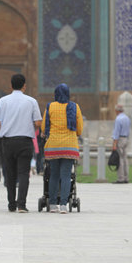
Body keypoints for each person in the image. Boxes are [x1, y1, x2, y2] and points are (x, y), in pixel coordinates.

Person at [0, 74, 42, 213]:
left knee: (10, 174)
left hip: (8, 142)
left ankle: (11, 204)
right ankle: (21, 205)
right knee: (24, 173)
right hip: (25, 141)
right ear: (24, 85)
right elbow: (38, 122)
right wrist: (28, 127)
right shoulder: (31, 101)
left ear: (10, 86)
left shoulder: (2, 101)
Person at [41, 83, 83, 214]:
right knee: (66, 176)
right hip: (69, 146)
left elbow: (43, 128)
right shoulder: (75, 107)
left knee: (54, 174)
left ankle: (53, 204)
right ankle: (64, 205)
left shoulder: (50, 107)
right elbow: (79, 129)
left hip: (53, 146)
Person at [112, 104, 131, 184]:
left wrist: (114, 144)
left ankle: (121, 178)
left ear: (117, 110)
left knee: (119, 159)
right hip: (126, 139)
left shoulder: (118, 119)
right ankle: (126, 177)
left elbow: (116, 132)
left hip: (120, 139)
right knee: (125, 159)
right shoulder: (127, 118)